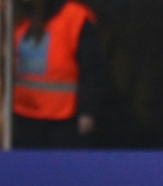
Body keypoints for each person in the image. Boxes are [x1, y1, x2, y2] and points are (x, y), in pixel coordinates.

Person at [13, 0, 102, 148]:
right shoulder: (18, 15)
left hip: (64, 120)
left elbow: (92, 69)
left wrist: (87, 110)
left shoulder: (76, 18)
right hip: (24, 116)